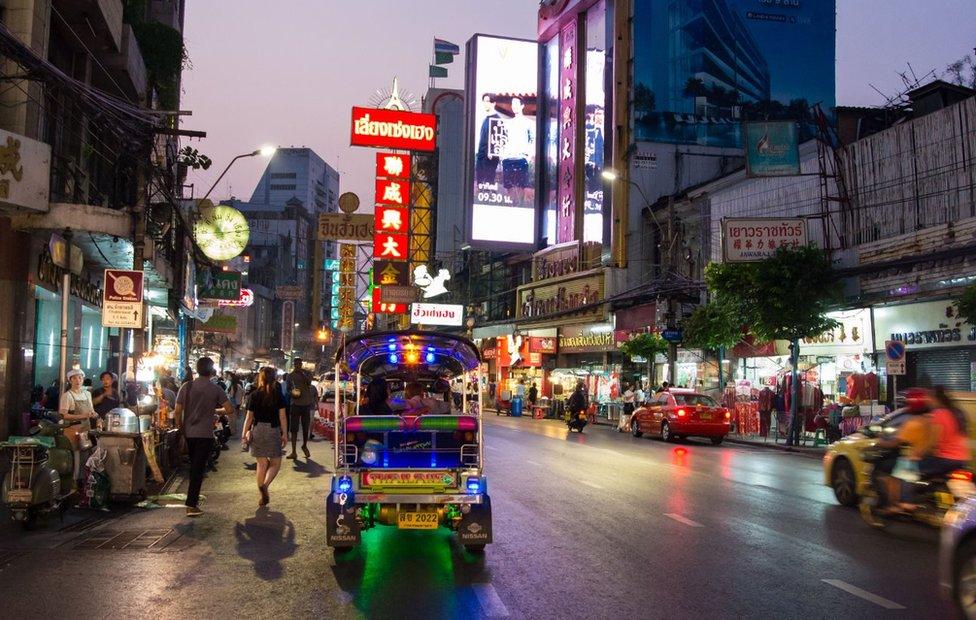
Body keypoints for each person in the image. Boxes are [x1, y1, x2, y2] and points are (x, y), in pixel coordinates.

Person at [174, 356, 235, 518]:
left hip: (188, 433)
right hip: (205, 434)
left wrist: (181, 428)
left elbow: (178, 411)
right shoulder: (215, 389)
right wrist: (215, 411)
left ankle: (191, 501)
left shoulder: (186, 387)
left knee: (194, 467)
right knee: (197, 469)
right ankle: (191, 505)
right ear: (211, 371)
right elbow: (229, 409)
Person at [241, 367, 287, 506]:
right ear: (274, 379)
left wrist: (244, 434)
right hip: (273, 430)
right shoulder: (278, 395)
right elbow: (283, 417)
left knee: (261, 464)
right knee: (276, 462)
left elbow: (249, 418)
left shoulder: (254, 395)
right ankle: (265, 486)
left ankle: (262, 494)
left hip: (258, 429)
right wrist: (285, 434)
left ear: (260, 378)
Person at [285, 358, 316, 460]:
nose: (298, 365)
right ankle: (293, 451)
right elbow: (287, 389)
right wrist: (292, 393)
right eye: (296, 364)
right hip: (295, 404)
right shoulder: (290, 376)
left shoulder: (307, 373)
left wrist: (303, 374)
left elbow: (309, 383)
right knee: (294, 429)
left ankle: (304, 445)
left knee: (305, 427)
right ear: (294, 364)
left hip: (306, 404)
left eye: (299, 364)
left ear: (301, 364)